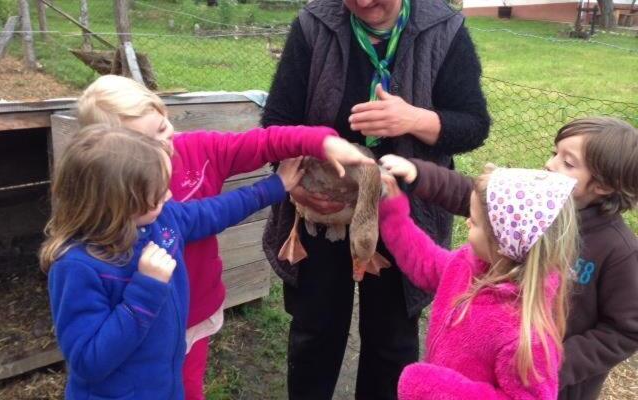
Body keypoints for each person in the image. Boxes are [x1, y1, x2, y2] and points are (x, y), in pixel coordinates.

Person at [76, 75, 374, 400]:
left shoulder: (194, 151)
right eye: (146, 143)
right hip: (139, 328)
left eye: (164, 127)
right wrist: (275, 187)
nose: (167, 144)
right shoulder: (99, 220)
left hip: (194, 311)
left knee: (188, 388)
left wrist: (320, 142)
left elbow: (261, 145)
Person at [261, 0, 490, 397]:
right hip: (322, 211)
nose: (364, 3)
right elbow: (277, 122)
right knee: (314, 330)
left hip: (405, 214)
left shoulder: (445, 28)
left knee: (391, 341)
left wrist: (415, 120)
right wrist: (294, 183)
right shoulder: (315, 24)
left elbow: (474, 125)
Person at [380, 116, 638, 400]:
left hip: (542, 378)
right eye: (555, 154)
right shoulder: (481, 255)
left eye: (568, 162)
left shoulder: (523, 336)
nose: (550, 165)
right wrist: (399, 202)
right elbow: (429, 259)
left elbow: (623, 330)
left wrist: (548, 366)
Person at [41, 125, 308, 399]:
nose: (169, 195)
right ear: (121, 203)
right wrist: (144, 292)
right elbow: (89, 361)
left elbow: (216, 211)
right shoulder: (77, 267)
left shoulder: (162, 222)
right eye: (157, 193)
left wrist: (276, 186)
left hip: (165, 386)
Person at [379, 166, 579, 399]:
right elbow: (427, 263)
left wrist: (434, 388)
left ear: (502, 241)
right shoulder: (470, 266)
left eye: (474, 222)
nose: (467, 225)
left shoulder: (525, 335)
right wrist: (394, 215)